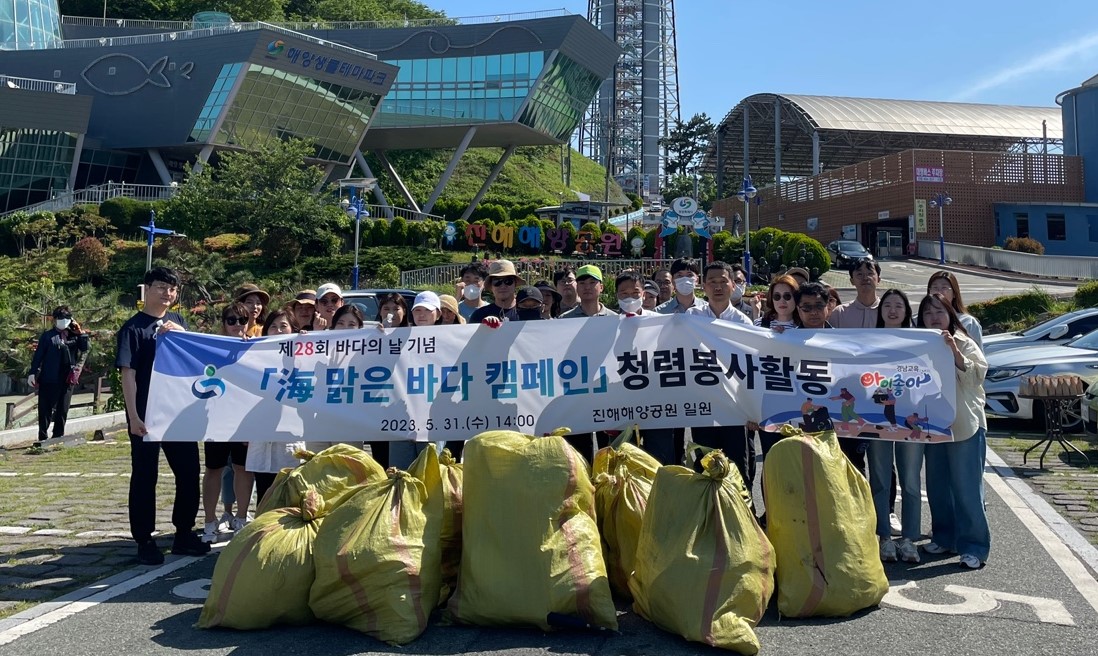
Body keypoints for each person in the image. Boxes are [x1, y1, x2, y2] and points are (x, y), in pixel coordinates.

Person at [116, 267, 209, 565]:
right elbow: (128, 375)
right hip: (145, 416)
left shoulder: (178, 321)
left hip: (177, 413)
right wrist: (133, 416)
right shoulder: (133, 329)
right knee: (145, 476)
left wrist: (182, 334)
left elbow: (196, 355)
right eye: (161, 287)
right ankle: (144, 539)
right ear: (147, 289)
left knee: (188, 471)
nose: (167, 293)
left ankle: (183, 533)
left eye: (172, 288)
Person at [918, 293, 990, 570]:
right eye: (927, 313)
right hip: (932, 425)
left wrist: (954, 351)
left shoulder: (964, 342)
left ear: (950, 314)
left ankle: (974, 546)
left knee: (967, 488)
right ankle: (944, 537)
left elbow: (977, 377)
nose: (933, 317)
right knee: (937, 486)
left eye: (939, 311)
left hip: (964, 424)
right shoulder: (919, 346)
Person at [686, 261, 755, 490]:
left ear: (733, 284)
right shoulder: (692, 316)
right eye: (712, 282)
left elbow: (751, 363)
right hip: (702, 403)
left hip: (734, 406)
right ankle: (707, 518)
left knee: (737, 466)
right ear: (703, 286)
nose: (718, 287)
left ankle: (742, 517)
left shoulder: (742, 322)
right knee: (705, 465)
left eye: (723, 281)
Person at [867, 289, 922, 564]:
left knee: (911, 481)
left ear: (906, 311)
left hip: (912, 419)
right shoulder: (869, 342)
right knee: (880, 479)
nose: (892, 310)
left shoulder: (921, 341)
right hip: (879, 419)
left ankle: (910, 538)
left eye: (898, 305)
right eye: (886, 305)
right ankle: (884, 537)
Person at [201, 302, 254, 543]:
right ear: (223, 323)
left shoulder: (257, 348)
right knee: (214, 469)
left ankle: (241, 518)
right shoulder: (212, 347)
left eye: (242, 320)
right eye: (231, 320)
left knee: (243, 469)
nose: (237, 325)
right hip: (216, 419)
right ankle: (210, 521)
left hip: (244, 419)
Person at [246, 309, 305, 503]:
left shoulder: (305, 356)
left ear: (293, 330)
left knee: (290, 494)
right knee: (264, 492)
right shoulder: (255, 356)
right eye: (273, 326)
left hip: (290, 438)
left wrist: (308, 342)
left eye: (283, 326)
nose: (278, 331)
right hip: (262, 437)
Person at [29, 305, 89, 443]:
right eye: (60, 318)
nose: (63, 321)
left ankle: (58, 436)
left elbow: (85, 348)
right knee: (45, 409)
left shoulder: (74, 336)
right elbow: (38, 356)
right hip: (48, 378)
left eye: (66, 318)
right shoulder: (47, 336)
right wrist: (32, 373)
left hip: (67, 379)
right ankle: (42, 437)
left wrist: (81, 333)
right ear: (54, 319)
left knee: (63, 409)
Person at [927, 271, 983, 351]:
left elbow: (979, 358)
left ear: (954, 294)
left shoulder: (968, 322)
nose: (939, 292)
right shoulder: (917, 319)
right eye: (935, 288)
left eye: (944, 288)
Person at [828, 257, 881, 328]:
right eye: (859, 274)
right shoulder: (839, 313)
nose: (865, 278)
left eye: (870, 273)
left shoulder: (889, 312)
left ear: (878, 280)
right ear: (852, 280)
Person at [470, 259, 525, 324]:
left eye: (508, 281)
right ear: (491, 286)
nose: (503, 286)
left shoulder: (526, 312)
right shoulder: (479, 316)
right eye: (497, 282)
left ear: (515, 283)